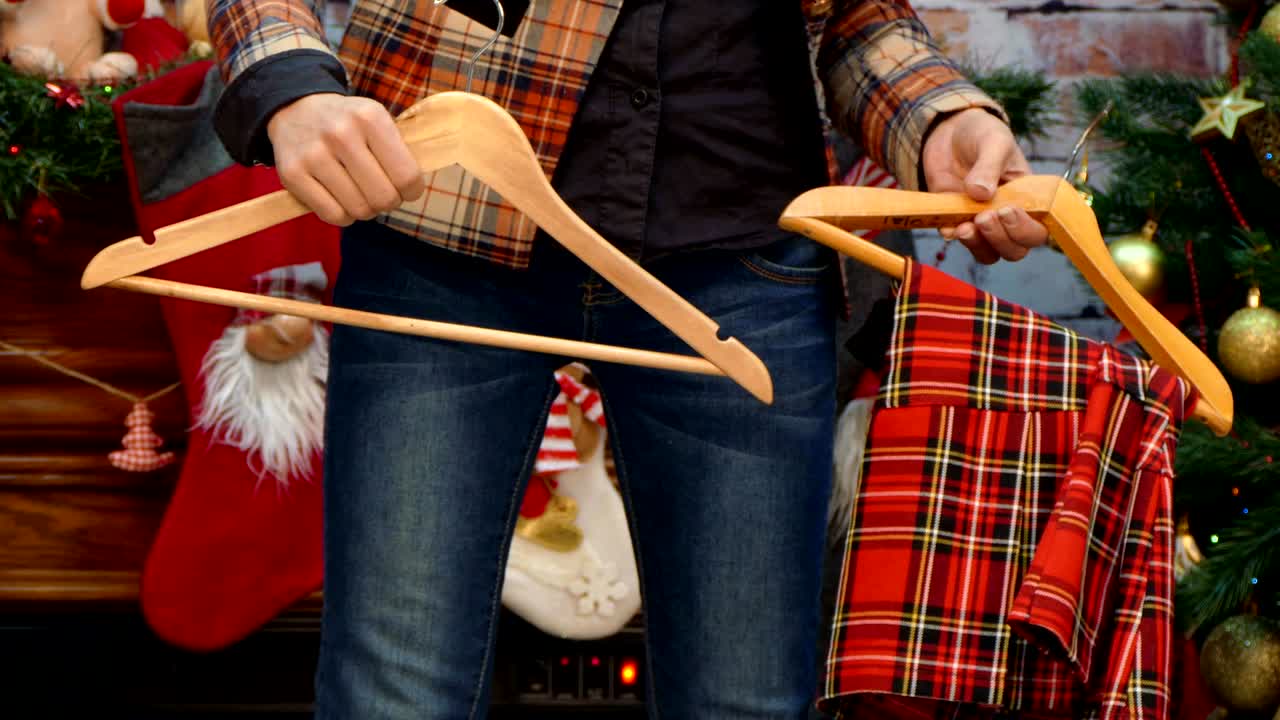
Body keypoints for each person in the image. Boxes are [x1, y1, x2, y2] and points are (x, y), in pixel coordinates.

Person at [205, 1, 1049, 718]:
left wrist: (945, 118)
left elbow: (852, 21)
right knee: (393, 689)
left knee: (744, 697)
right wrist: (291, 85)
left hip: (742, 250)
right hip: (444, 231)